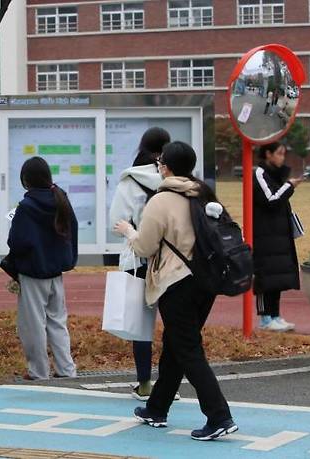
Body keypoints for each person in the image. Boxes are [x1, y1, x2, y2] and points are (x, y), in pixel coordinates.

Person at [115, 141, 237, 441]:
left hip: (176, 281)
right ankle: (157, 407)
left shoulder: (163, 199)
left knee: (188, 350)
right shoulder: (202, 193)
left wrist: (129, 231)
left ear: (165, 166)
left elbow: (145, 246)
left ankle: (219, 415)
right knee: (176, 346)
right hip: (205, 281)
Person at [109, 126, 170, 401]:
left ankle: (144, 384)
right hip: (171, 261)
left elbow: (116, 221)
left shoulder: (130, 180)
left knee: (141, 325)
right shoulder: (173, 177)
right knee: (174, 324)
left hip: (138, 259)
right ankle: (169, 384)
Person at [8, 156, 78, 381]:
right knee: (58, 321)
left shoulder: (27, 207)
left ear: (26, 180)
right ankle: (66, 369)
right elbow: (72, 231)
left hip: (33, 273)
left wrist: (14, 267)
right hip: (56, 272)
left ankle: (39, 371)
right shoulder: (61, 198)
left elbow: (16, 242)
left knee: (33, 325)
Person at [253, 142, 302, 332]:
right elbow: (271, 200)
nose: (283, 157)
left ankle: (275, 315)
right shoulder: (259, 174)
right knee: (265, 276)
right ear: (268, 154)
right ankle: (265, 318)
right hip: (264, 234)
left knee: (277, 276)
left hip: (277, 234)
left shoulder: (274, 174)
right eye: (279, 153)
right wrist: (290, 185)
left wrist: (286, 182)